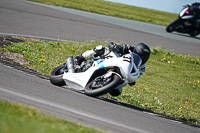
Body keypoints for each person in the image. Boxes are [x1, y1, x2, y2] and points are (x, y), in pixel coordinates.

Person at [74, 42, 150, 96]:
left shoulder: (142, 68)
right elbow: (111, 44)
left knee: (117, 93)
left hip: (120, 75)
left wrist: (132, 81)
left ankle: (100, 85)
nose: (142, 58)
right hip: (112, 62)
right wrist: (115, 47)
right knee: (101, 48)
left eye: (144, 57)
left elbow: (134, 78)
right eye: (140, 55)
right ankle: (81, 57)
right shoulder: (128, 48)